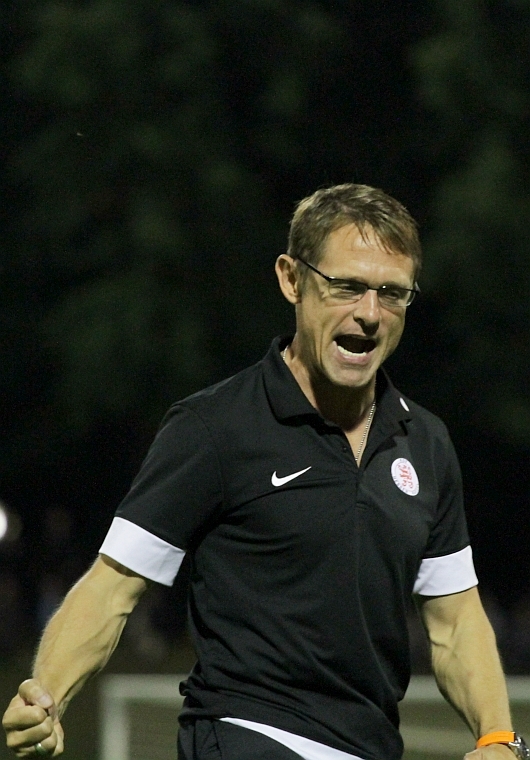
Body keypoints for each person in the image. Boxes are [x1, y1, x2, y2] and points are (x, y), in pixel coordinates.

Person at [3, 184, 525, 760]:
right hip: (245, 735)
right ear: (291, 279)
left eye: (392, 293)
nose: (370, 314)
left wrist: (498, 737)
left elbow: (455, 621)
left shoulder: (425, 442)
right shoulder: (215, 427)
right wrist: (46, 698)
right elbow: (112, 587)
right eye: (346, 286)